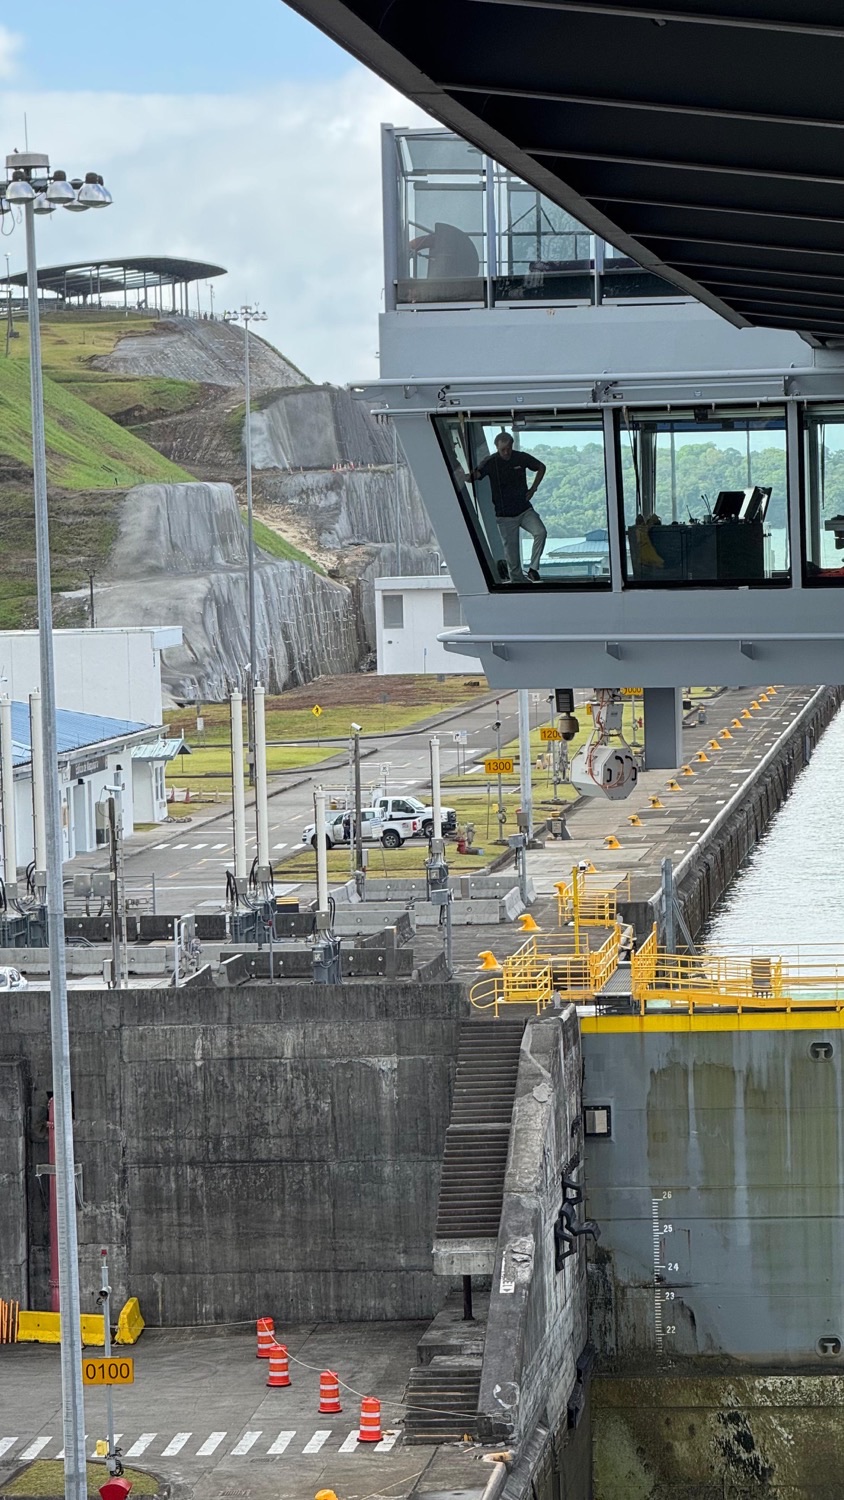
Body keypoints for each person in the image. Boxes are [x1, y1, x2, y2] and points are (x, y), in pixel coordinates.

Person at [466, 432, 547, 582]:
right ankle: (517, 581)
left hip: (524, 509)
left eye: (508, 448)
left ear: (512, 446)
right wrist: (463, 476)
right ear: (497, 447)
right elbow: (476, 475)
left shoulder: (520, 457)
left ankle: (533, 569)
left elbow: (541, 467)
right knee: (512, 553)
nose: (506, 452)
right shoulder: (491, 462)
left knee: (540, 532)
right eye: (503, 449)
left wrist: (533, 489)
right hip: (505, 516)